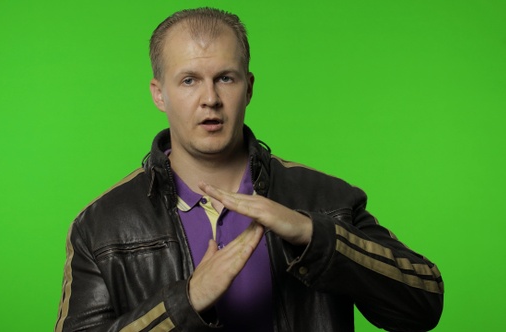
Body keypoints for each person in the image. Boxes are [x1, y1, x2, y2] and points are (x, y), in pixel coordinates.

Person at [55, 7, 443, 332]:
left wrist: (312, 234)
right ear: (160, 93)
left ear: (249, 87)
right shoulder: (100, 225)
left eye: (225, 78)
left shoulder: (325, 199)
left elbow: (424, 303)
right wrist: (185, 302)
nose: (211, 99)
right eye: (189, 80)